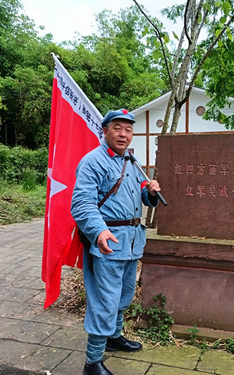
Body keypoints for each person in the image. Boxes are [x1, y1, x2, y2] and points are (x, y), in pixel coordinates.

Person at [71, 109, 161, 375]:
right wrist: (98, 232)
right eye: (118, 128)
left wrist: (151, 193)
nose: (124, 134)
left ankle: (114, 336)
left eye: (128, 129)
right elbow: (82, 203)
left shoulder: (131, 162)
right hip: (107, 243)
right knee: (105, 301)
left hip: (132, 242)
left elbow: (141, 198)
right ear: (105, 130)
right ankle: (93, 362)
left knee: (124, 296)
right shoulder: (93, 161)